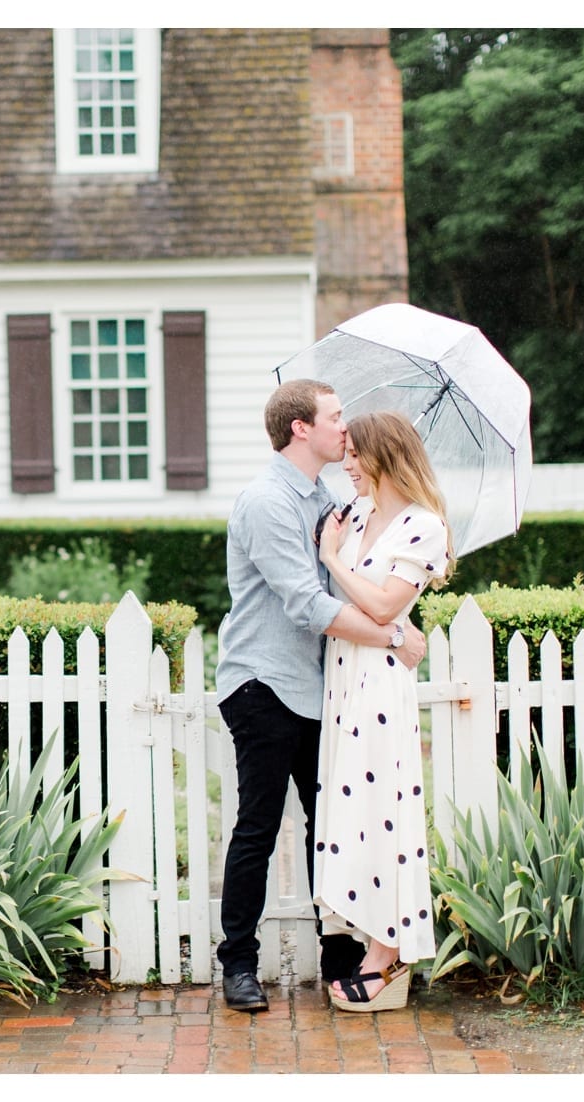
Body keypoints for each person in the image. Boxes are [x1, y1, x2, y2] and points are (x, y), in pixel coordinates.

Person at [215, 380, 427, 1013]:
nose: (347, 430)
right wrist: (394, 636)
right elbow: (308, 606)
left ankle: (339, 959)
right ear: (300, 428)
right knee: (257, 825)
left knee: (327, 828)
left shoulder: (332, 497)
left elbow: (372, 575)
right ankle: (239, 966)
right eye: (336, 419)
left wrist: (400, 617)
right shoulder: (266, 501)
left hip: (321, 691)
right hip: (262, 682)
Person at [312, 409, 454, 1013]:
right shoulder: (361, 514)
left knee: (381, 810)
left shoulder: (425, 527)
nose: (346, 466)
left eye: (354, 455)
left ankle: (386, 953)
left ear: (382, 457)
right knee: (350, 809)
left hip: (379, 686)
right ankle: (372, 943)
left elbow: (382, 604)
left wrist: (333, 559)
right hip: (343, 679)